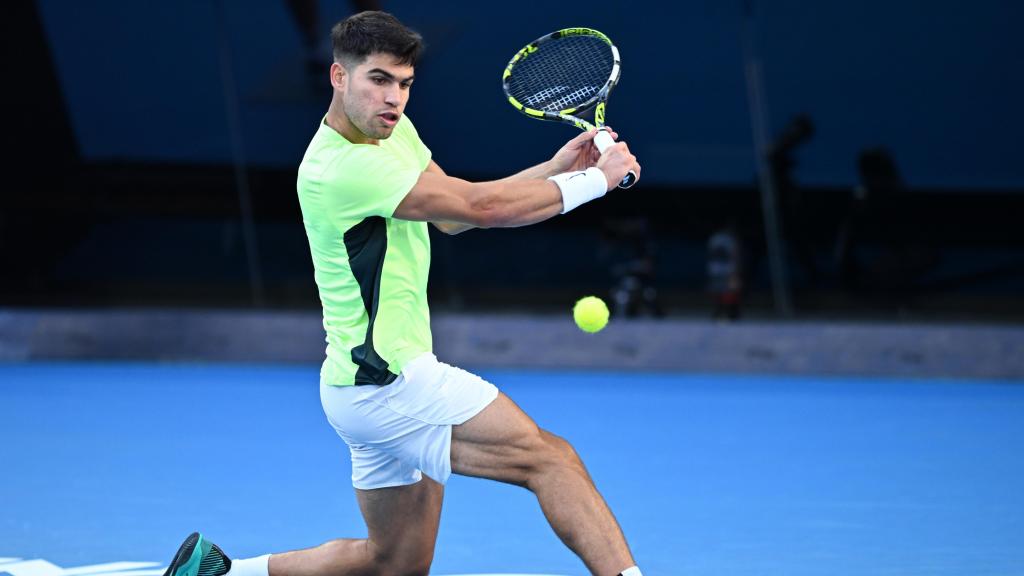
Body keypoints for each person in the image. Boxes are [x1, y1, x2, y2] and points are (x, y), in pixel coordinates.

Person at [162, 11, 643, 576]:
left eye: (405, 83)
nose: (394, 98)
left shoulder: (392, 131)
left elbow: (454, 211)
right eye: (379, 80)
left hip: (357, 388)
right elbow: (482, 211)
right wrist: (598, 180)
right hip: (390, 382)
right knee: (550, 459)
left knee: (393, 561)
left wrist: (555, 167)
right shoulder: (339, 168)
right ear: (339, 77)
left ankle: (223, 574)